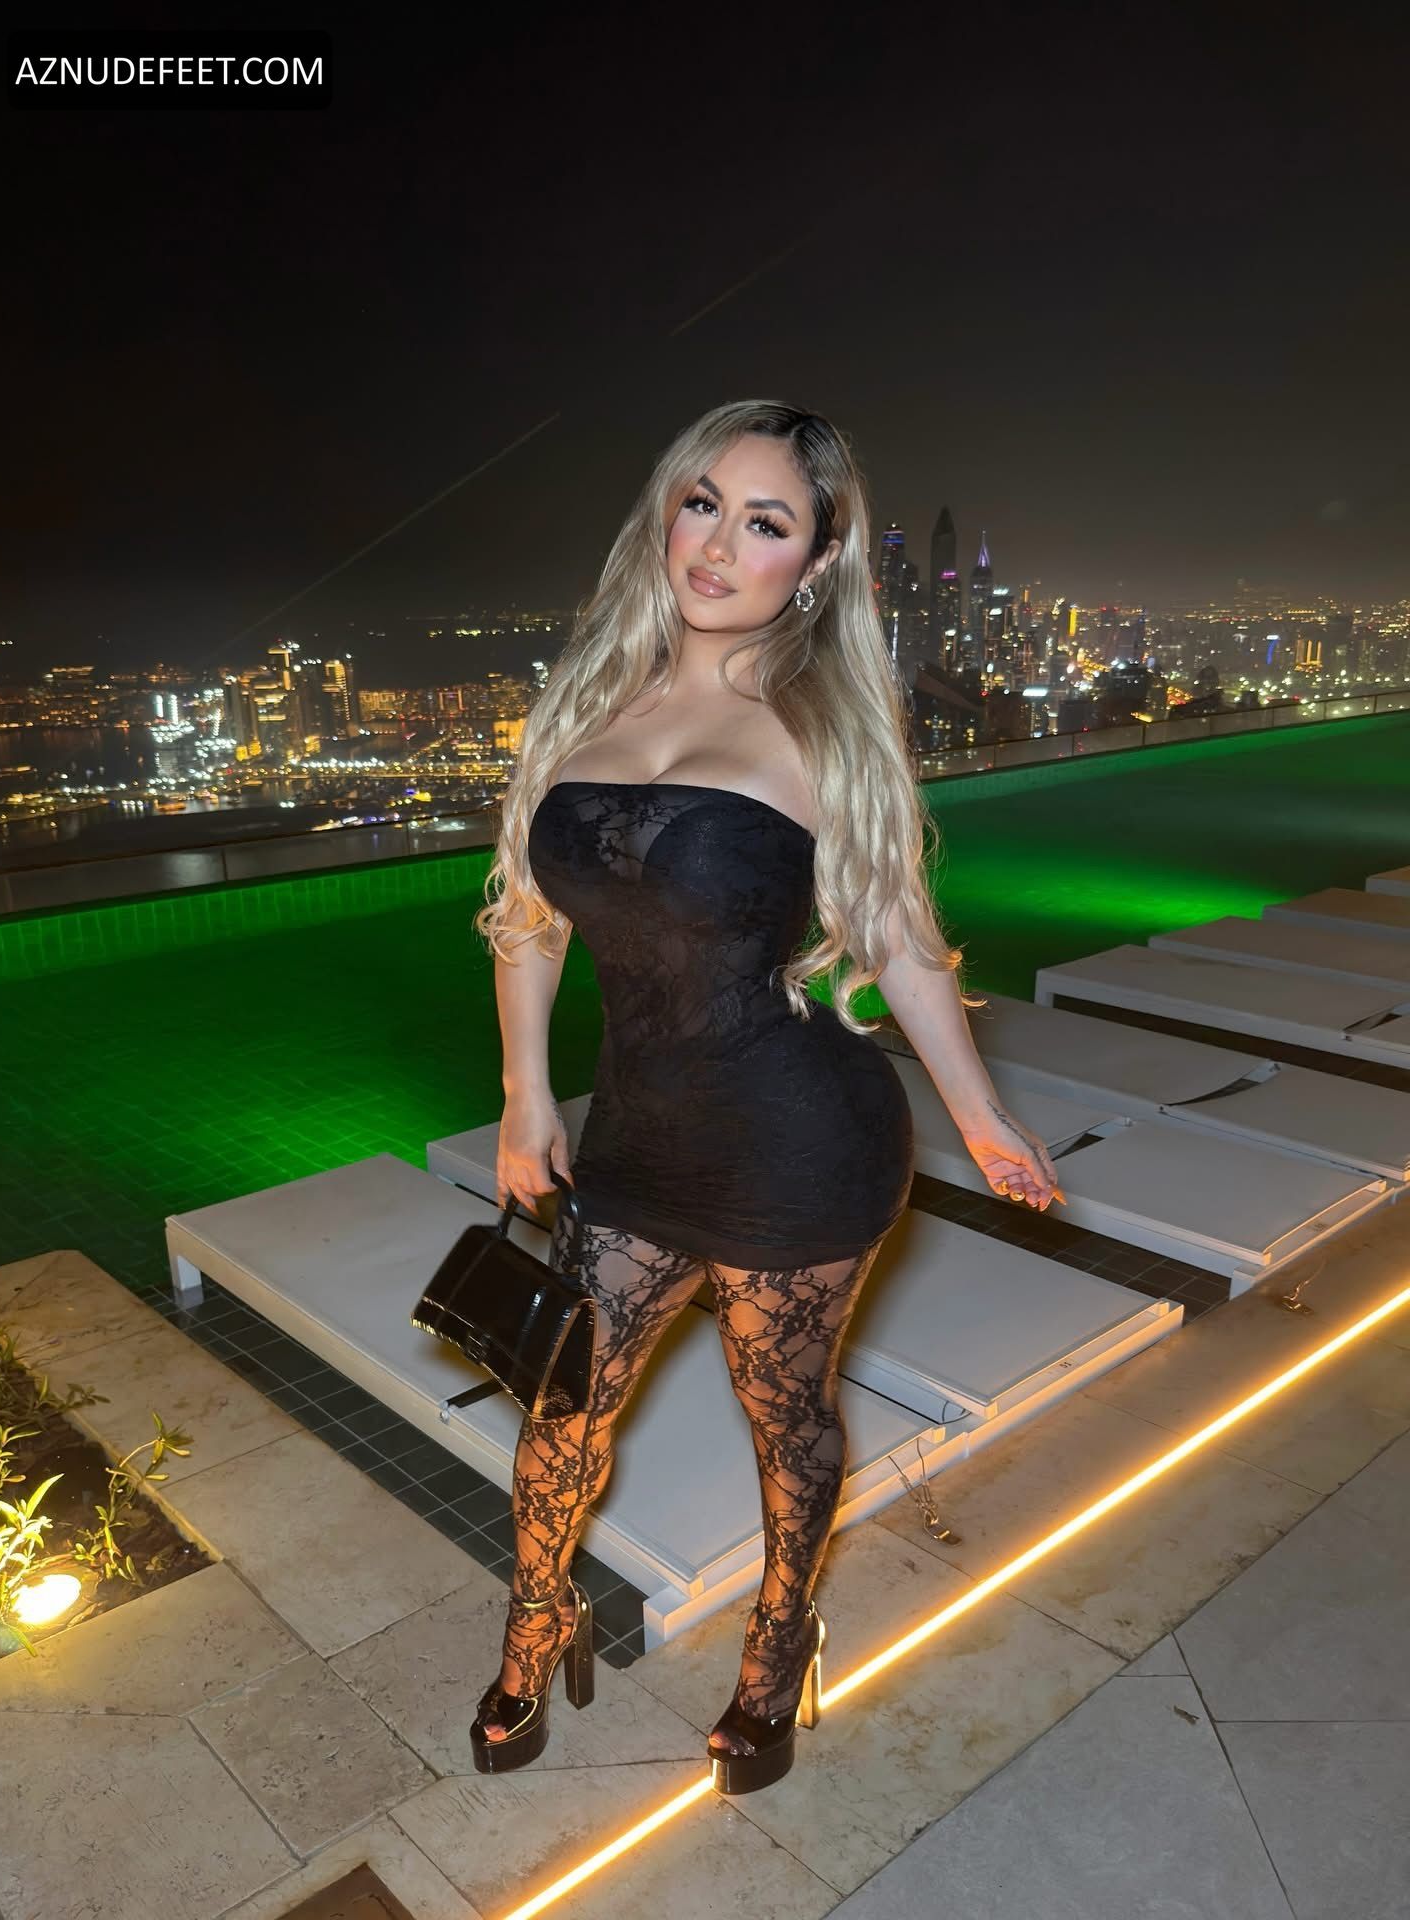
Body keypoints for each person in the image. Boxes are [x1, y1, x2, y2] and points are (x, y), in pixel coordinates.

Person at [469, 399, 1063, 1792]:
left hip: (802, 1145)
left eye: (766, 521)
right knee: (563, 1412)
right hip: (635, 1141)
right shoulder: (584, 703)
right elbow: (530, 915)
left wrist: (982, 1117)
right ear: (663, 512)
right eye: (702, 504)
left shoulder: (823, 726)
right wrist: (522, 1094)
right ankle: (537, 1622)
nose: (719, 545)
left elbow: (899, 932)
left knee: (782, 1419)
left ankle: (777, 1647)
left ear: (819, 558)